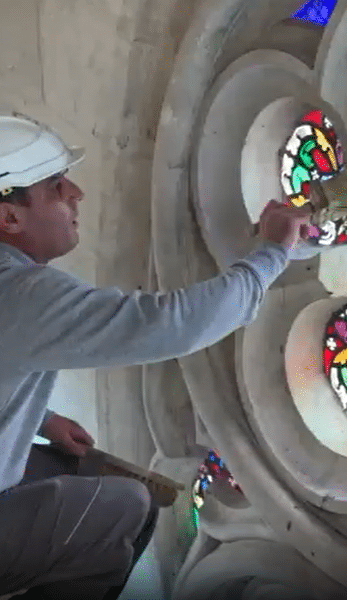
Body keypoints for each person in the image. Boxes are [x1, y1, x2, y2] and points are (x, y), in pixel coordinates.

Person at [0, 113, 312, 600]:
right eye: (57, 186)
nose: (76, 195)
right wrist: (271, 253)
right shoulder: (19, 292)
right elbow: (169, 324)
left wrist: (42, 417)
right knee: (128, 506)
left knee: (74, 468)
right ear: (10, 217)